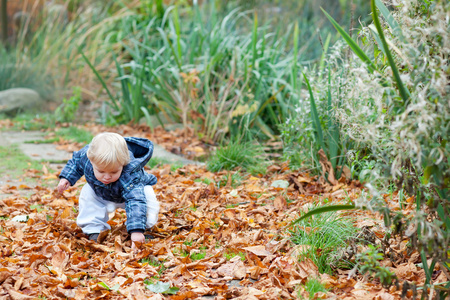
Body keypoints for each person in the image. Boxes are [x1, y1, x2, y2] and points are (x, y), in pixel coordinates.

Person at [57, 132, 159, 250]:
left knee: (147, 194)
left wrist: (136, 230)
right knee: (87, 191)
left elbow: (135, 201)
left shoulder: (130, 173)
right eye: (101, 171)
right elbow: (75, 163)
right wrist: (66, 178)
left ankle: (143, 229)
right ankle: (94, 230)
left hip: (128, 194)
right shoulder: (87, 157)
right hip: (101, 193)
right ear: (91, 160)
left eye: (113, 172)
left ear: (123, 163)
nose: (106, 177)